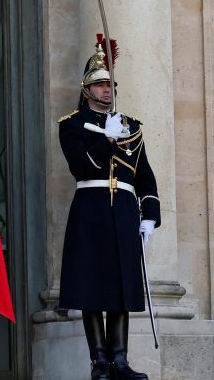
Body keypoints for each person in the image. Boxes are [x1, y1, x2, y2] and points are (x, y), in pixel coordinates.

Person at [58, 40, 159, 380]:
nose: (107, 90)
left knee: (121, 284)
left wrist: (149, 216)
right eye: (100, 84)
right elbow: (81, 168)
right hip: (92, 208)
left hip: (125, 211)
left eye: (110, 85)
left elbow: (144, 175)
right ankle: (99, 361)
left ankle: (120, 360)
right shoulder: (72, 125)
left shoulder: (130, 125)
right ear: (86, 89)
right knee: (91, 284)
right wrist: (106, 142)